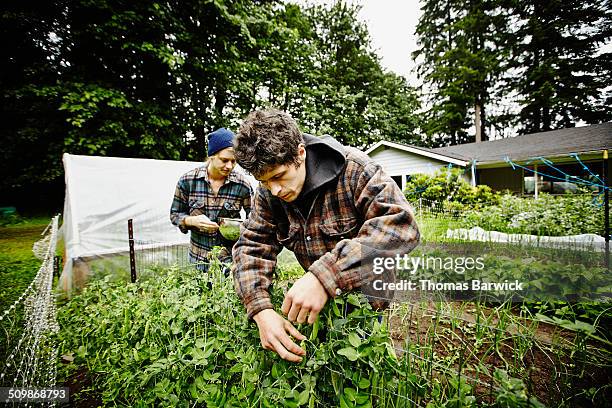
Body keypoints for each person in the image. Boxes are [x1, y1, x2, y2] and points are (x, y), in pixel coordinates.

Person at [232, 109, 420, 362]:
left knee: (364, 372)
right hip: (316, 306)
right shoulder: (269, 193)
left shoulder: (356, 170)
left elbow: (400, 226)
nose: (274, 190)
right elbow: (251, 246)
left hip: (365, 302)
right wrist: (260, 309)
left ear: (300, 153)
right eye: (263, 181)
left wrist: (325, 275)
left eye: (278, 177)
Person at [170, 128, 253, 270]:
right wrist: (190, 220)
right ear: (211, 155)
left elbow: (255, 218)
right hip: (198, 259)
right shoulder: (188, 181)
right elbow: (175, 214)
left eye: (234, 161)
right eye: (224, 160)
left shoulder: (242, 185)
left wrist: (242, 228)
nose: (229, 166)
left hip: (229, 261)